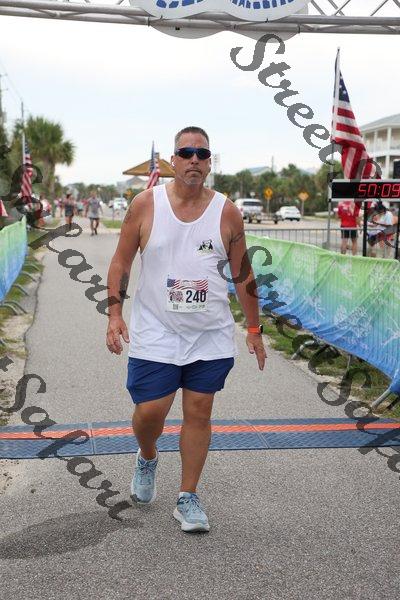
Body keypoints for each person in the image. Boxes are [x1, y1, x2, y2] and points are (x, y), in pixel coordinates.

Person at [106, 126, 266, 533]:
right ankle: (147, 455)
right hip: (156, 331)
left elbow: (243, 274)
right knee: (150, 413)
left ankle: (187, 496)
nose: (195, 159)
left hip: (209, 333)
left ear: (209, 163)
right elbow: (122, 261)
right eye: (187, 153)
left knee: (199, 411)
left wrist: (254, 328)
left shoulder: (227, 211)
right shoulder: (145, 204)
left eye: (202, 154)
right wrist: (114, 314)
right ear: (173, 161)